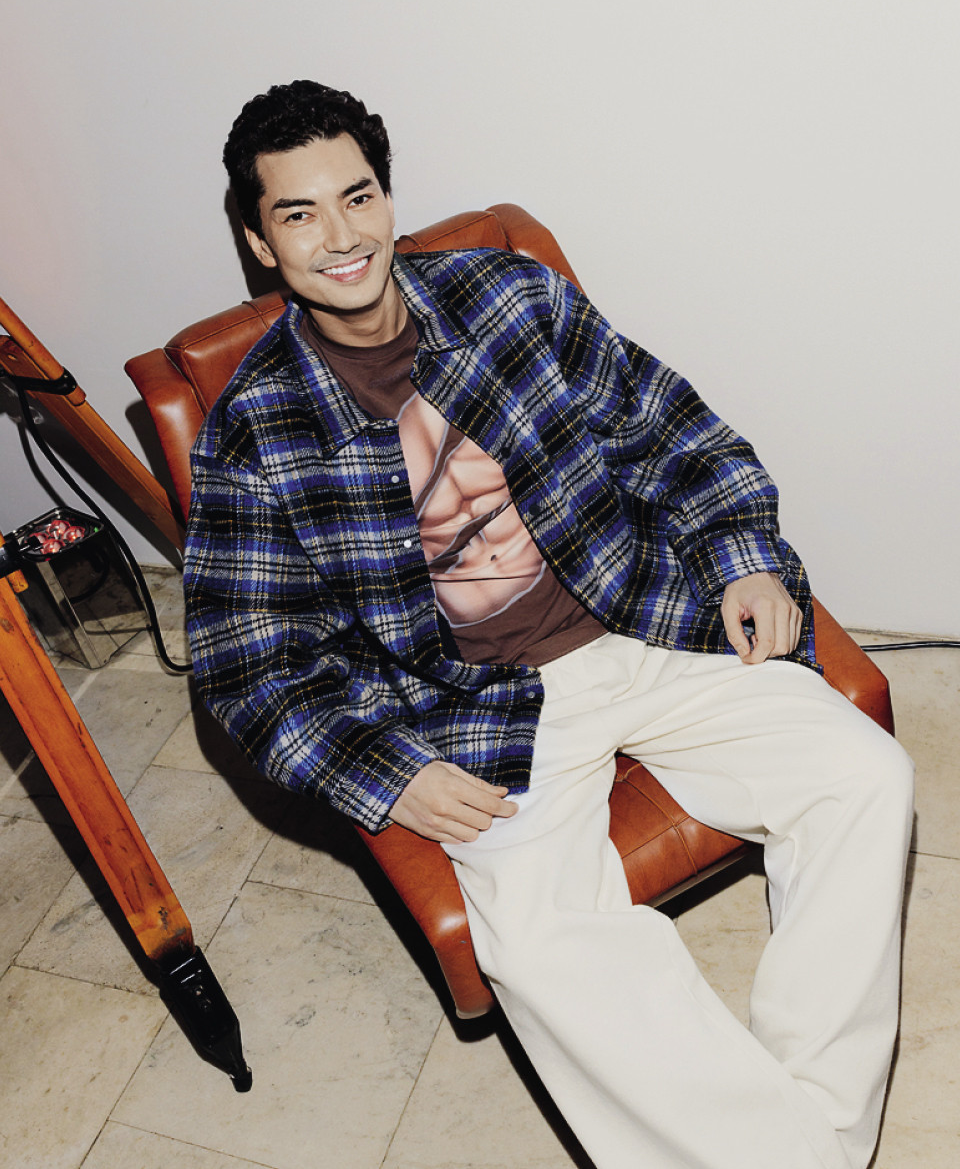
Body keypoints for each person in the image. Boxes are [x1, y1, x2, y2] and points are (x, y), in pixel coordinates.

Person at [184, 80, 914, 1169]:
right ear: (259, 242)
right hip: (475, 711)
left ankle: (802, 1145)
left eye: (358, 196)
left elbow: (673, 430)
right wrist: (384, 773)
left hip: (640, 614)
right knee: (538, 946)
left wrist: (743, 555)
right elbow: (247, 667)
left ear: (388, 197)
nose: (340, 236)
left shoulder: (512, 297)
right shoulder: (253, 430)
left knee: (864, 778)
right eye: (300, 213)